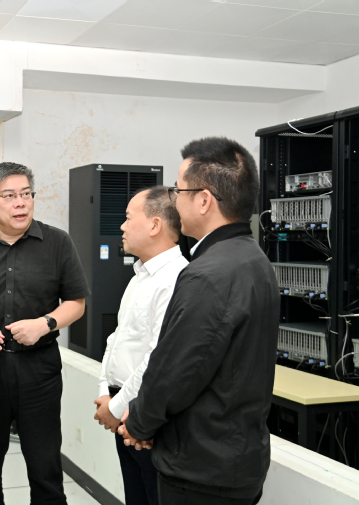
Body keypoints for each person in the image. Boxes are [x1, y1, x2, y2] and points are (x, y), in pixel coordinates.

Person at [117, 137, 279, 505]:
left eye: (179, 190)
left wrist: (139, 423)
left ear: (204, 200)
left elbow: (175, 371)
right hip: (237, 458)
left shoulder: (208, 274)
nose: (174, 199)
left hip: (201, 470)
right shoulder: (255, 261)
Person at [0, 162, 90, 505]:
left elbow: (76, 303)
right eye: (9, 196)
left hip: (39, 369)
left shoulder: (57, 242)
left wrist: (45, 324)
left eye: (26, 194)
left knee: (45, 466)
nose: (20, 203)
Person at [94, 186, 188, 505]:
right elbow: (116, 338)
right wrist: (105, 392)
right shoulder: (139, 276)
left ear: (154, 225)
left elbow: (157, 359)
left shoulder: (176, 279)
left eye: (128, 217)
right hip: (123, 411)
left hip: (148, 418)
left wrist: (115, 407)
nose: (121, 226)